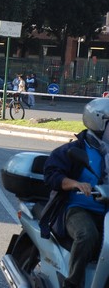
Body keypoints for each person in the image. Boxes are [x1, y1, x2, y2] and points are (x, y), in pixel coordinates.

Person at [42, 98, 109, 288]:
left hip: (106, 212)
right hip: (77, 208)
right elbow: (51, 174)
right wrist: (75, 184)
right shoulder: (74, 149)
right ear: (99, 122)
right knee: (87, 235)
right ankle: (72, 284)